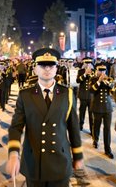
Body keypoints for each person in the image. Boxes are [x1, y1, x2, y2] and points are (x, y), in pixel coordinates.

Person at [6, 47, 83, 187]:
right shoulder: (25, 95)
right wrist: (13, 153)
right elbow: (16, 127)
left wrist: (77, 155)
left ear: (56, 68)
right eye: (42, 65)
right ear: (35, 69)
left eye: (51, 65)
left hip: (60, 160)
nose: (47, 69)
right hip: (34, 162)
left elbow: (73, 127)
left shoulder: (67, 94)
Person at [89, 63, 114, 159]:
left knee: (107, 128)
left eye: (104, 70)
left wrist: (110, 83)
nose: (103, 72)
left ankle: (108, 149)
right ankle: (96, 139)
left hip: (107, 107)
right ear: (97, 71)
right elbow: (92, 90)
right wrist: (99, 81)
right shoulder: (93, 79)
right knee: (97, 125)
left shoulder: (108, 79)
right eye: (101, 70)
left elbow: (113, 90)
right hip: (97, 106)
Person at [76, 57, 94, 134]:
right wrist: (85, 74)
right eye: (86, 63)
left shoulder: (94, 72)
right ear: (84, 64)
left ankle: (91, 129)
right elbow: (78, 80)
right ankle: (80, 126)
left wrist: (90, 74)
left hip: (91, 95)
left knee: (91, 113)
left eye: (89, 63)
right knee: (82, 111)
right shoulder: (81, 71)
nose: (87, 65)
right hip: (83, 94)